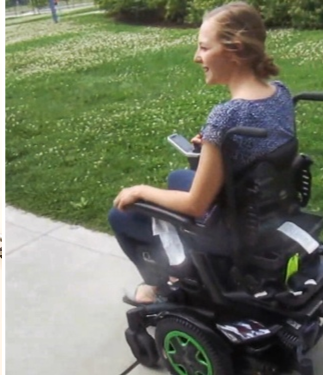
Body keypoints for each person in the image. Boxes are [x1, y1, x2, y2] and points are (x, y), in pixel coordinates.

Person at [108, 1, 295, 306]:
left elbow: (196, 205)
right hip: (267, 210)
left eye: (204, 48)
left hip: (233, 230)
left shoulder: (227, 117)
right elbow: (259, 149)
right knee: (177, 176)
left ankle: (164, 281)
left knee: (121, 213)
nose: (197, 58)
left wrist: (140, 190)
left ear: (234, 50)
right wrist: (211, 147)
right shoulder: (280, 92)